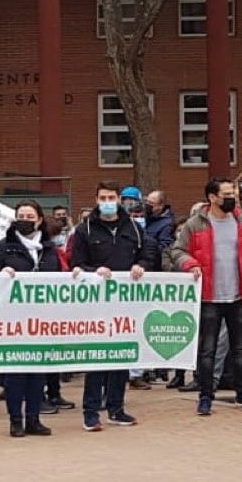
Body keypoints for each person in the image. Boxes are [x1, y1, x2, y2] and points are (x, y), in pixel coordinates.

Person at [168, 178, 242, 416]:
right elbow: (177, 251)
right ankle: (205, 396)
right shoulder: (195, 224)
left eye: (233, 192)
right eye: (226, 193)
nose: (232, 197)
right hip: (209, 297)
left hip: (238, 296)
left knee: (241, 349)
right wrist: (190, 264)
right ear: (212, 197)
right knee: (207, 350)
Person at [69, 184, 154, 431]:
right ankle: (91, 412)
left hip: (125, 304)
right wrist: (92, 272)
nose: (107, 201)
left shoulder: (134, 228)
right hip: (96, 305)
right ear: (96, 200)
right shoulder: (84, 230)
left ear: (119, 200)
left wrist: (141, 265)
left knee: (121, 356)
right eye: (103, 198)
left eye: (111, 198)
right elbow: (77, 265)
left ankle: (116, 409)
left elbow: (148, 253)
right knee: (97, 359)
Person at [0, 202, 57, 438]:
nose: (24, 219)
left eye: (29, 216)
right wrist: (2, 275)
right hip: (13, 320)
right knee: (16, 373)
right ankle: (15, 420)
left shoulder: (48, 249)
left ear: (39, 219)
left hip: (42, 319)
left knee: (37, 373)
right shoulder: (4, 247)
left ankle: (34, 419)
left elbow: (58, 277)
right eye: (20, 216)